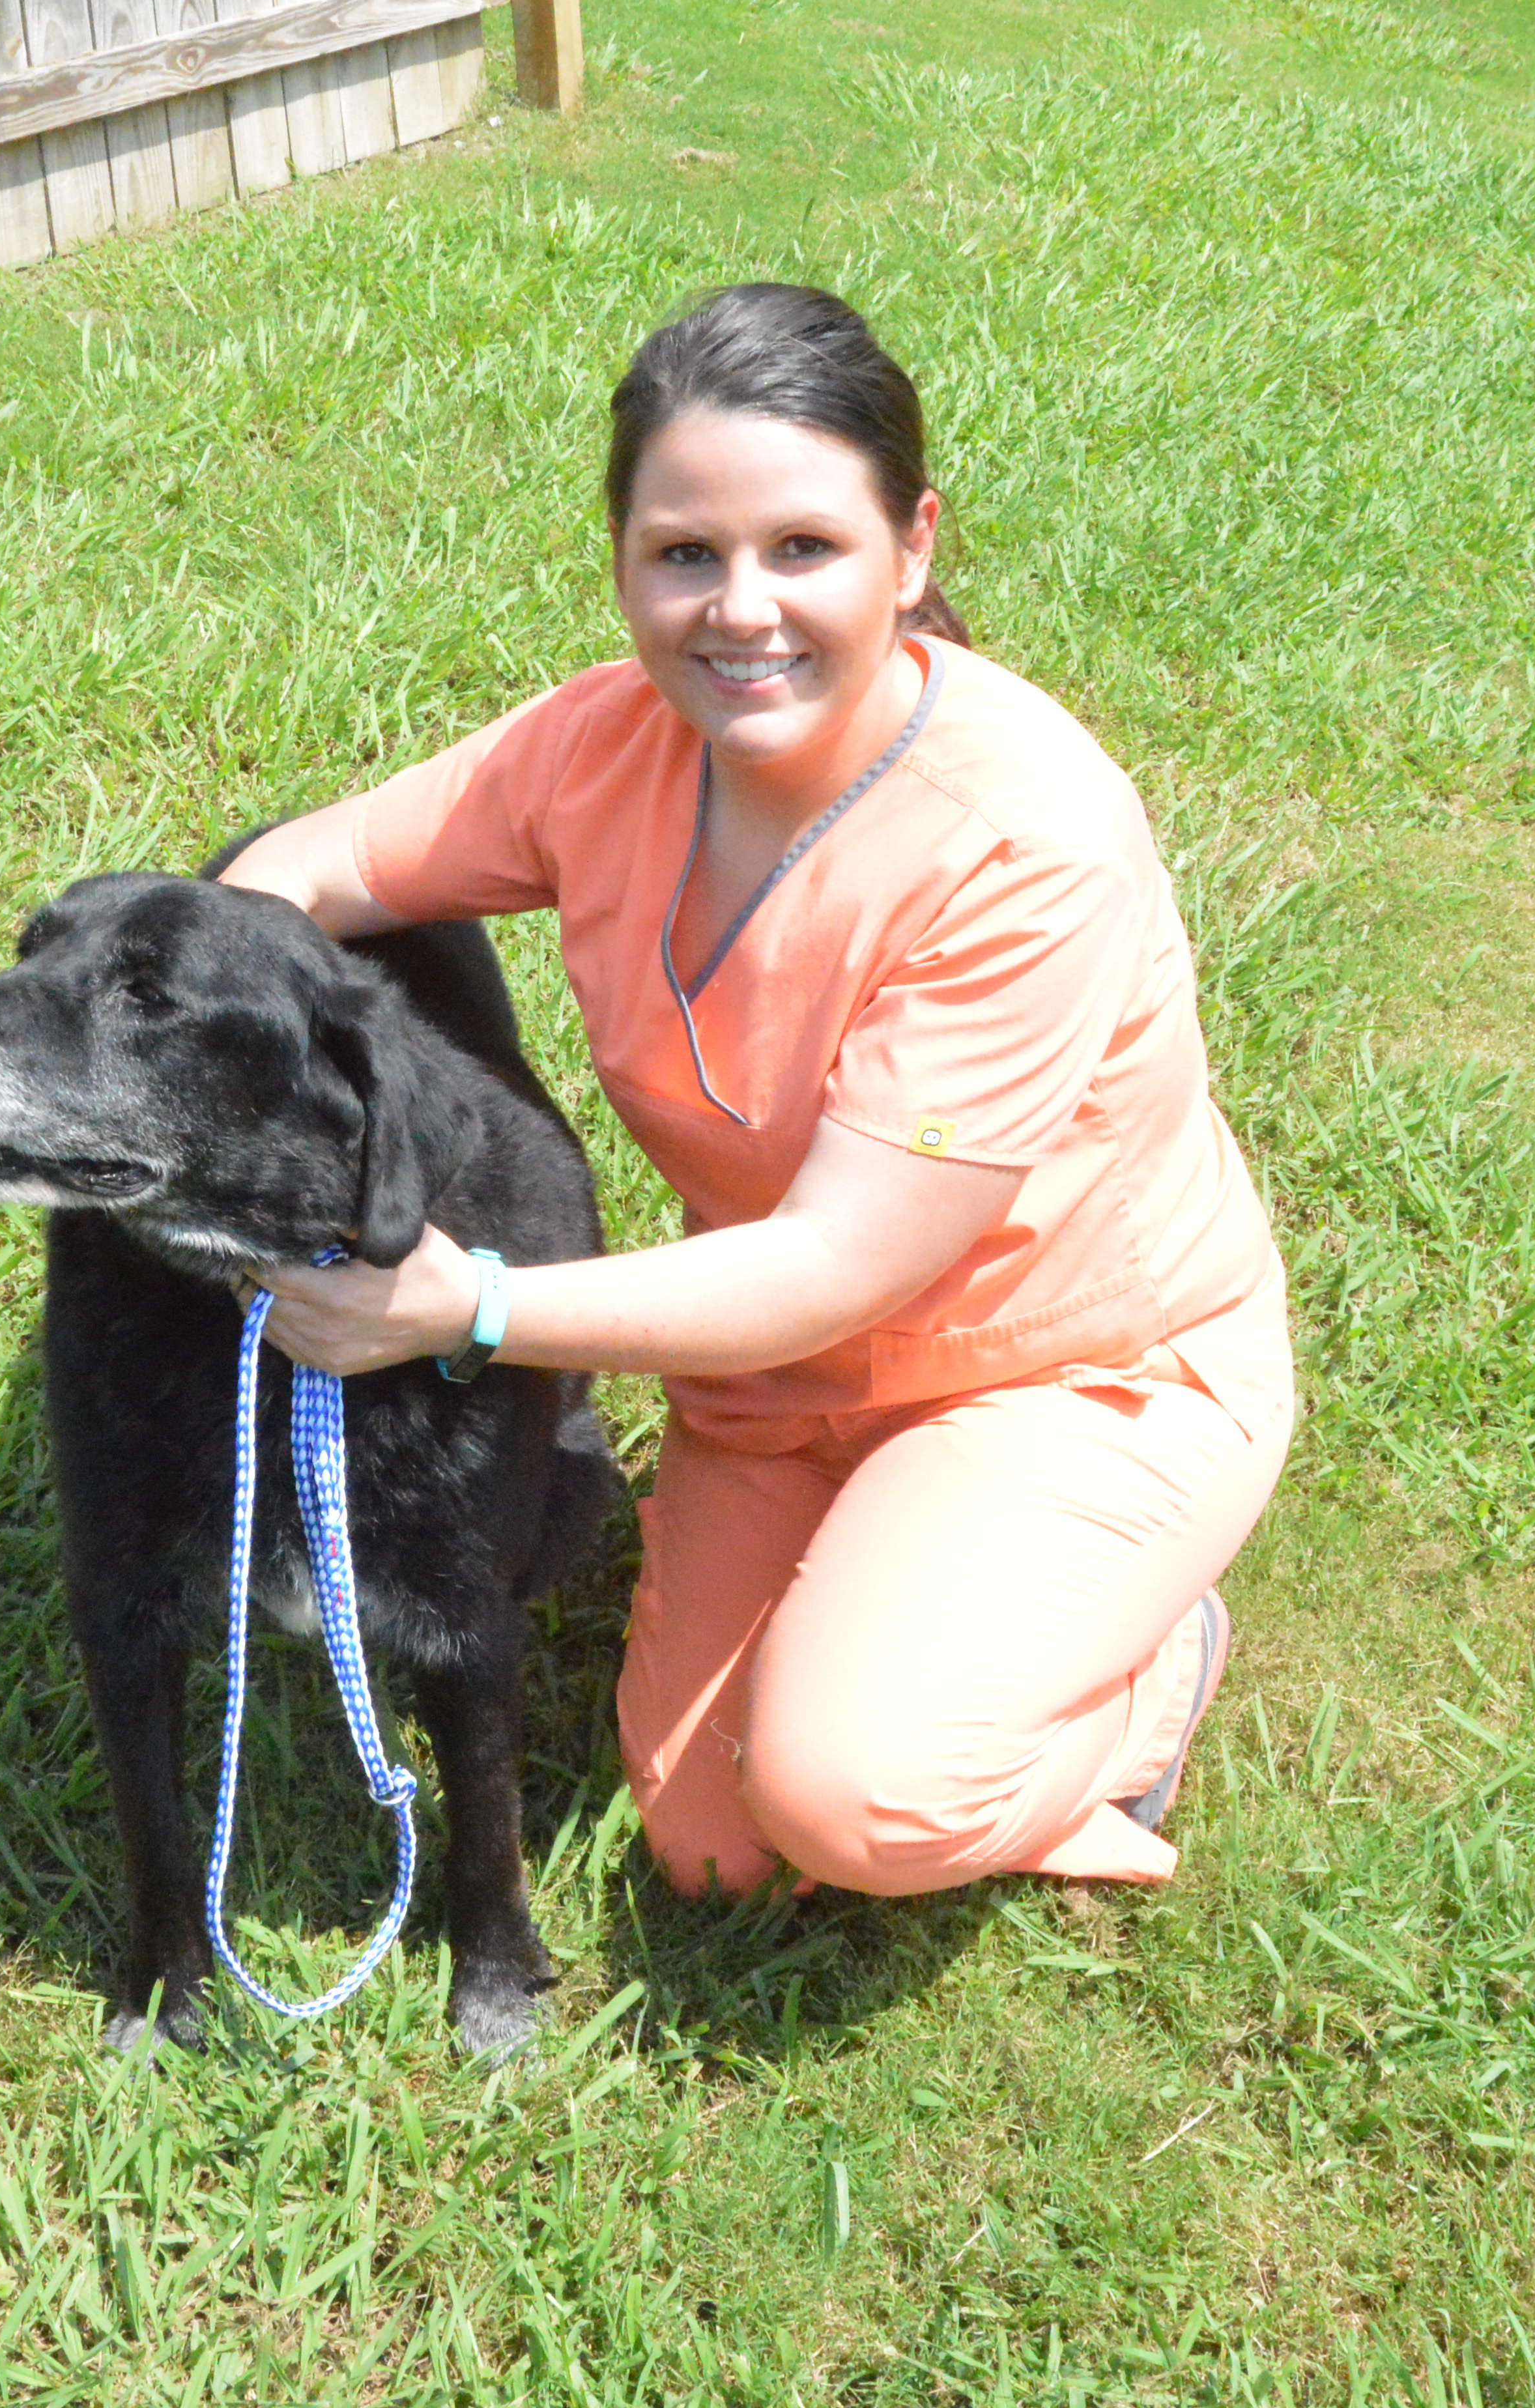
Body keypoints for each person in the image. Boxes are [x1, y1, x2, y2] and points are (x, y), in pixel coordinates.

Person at [220, 283, 1293, 1902]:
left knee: (854, 1800)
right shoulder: (599, 747)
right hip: (775, 1381)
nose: (739, 610)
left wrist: (466, 1305)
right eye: (683, 553)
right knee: (714, 1850)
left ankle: (1141, 1675)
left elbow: (833, 1261)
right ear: (621, 562)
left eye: (803, 547)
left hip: (1068, 1370)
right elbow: (307, 868)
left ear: (909, 549)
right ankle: (894, 1603)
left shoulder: (1025, 843)